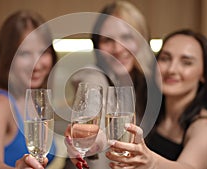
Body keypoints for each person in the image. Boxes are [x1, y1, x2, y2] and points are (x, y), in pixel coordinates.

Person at [105, 29, 207, 169]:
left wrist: (152, 162)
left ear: (204, 74)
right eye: (165, 58)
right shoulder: (154, 115)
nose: (172, 69)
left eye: (186, 62)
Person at [64, 1, 153, 168]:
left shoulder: (147, 83)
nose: (117, 48)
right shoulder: (94, 79)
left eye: (127, 37)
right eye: (107, 40)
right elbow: (91, 119)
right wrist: (92, 141)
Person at [0, 10, 58, 169]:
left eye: (44, 52)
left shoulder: (36, 101)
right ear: (7, 57)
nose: (37, 64)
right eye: (25, 53)